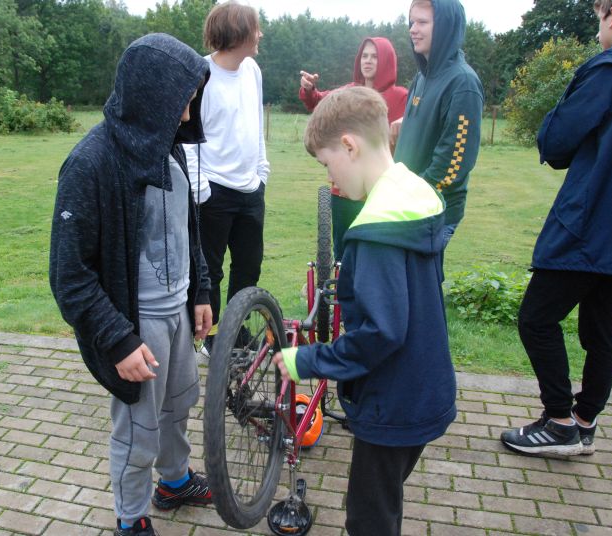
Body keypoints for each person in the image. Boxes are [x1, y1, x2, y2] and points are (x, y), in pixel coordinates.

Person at [49, 34, 213, 536]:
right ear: (151, 96)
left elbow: (188, 228)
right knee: (138, 429)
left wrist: (201, 290)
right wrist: (118, 340)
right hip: (135, 326)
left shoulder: (168, 147)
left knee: (179, 404)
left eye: (191, 102)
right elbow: (69, 276)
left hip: (178, 312)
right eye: (180, 102)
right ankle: (130, 517)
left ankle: (175, 482)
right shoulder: (90, 164)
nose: (186, 115)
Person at [274, 86, 457, 535]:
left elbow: (382, 332)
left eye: (327, 162)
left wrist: (306, 359)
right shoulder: (416, 198)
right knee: (383, 499)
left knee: (369, 518)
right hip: (424, 388)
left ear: (350, 146)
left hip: (391, 402)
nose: (331, 177)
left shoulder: (376, 231)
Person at [501, 0, 612, 457]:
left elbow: (557, 142)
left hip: (587, 224)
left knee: (536, 318)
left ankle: (560, 422)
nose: (598, 29)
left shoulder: (610, 70)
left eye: (598, 17)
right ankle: (585, 423)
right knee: (603, 327)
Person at [184, 0, 270, 354]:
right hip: (213, 192)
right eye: (255, 29)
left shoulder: (252, 70)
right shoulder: (200, 75)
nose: (260, 34)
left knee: (249, 266)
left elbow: (256, 123)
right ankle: (213, 336)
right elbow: (187, 136)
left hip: (251, 189)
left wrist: (262, 172)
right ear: (237, 34)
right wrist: (201, 190)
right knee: (211, 272)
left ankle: (236, 330)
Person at [299, 37, 409, 259]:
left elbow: (418, 122)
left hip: (379, 190)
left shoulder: (401, 97)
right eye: (364, 56)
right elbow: (320, 102)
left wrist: (405, 121)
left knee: (377, 251)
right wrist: (309, 90)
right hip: (344, 192)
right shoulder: (350, 92)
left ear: (387, 61)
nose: (368, 61)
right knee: (344, 250)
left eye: (374, 56)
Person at [392, 0, 484, 250]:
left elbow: (454, 162)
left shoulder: (463, 83)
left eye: (422, 22)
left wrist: (414, 196)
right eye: (412, 22)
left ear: (445, 27)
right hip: (405, 207)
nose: (413, 29)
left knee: (418, 277)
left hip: (432, 214)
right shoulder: (421, 78)